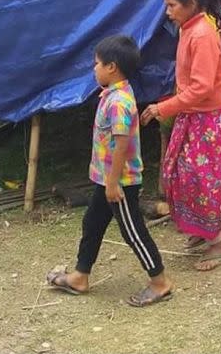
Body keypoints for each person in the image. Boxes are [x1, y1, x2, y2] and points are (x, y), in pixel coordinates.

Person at [46, 35, 172, 307]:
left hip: (120, 181)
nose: (94, 68)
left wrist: (114, 183)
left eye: (97, 64)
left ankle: (160, 282)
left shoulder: (119, 103)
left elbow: (121, 144)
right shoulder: (111, 95)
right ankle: (80, 276)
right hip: (107, 179)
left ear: (112, 67)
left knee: (133, 231)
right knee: (92, 222)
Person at [140, 0, 221, 271]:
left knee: (202, 179)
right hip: (194, 113)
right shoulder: (188, 29)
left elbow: (202, 87)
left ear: (191, 4)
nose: (167, 11)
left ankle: (219, 245)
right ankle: (200, 230)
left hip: (210, 116)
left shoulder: (202, 34)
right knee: (182, 174)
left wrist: (162, 108)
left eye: (171, 6)